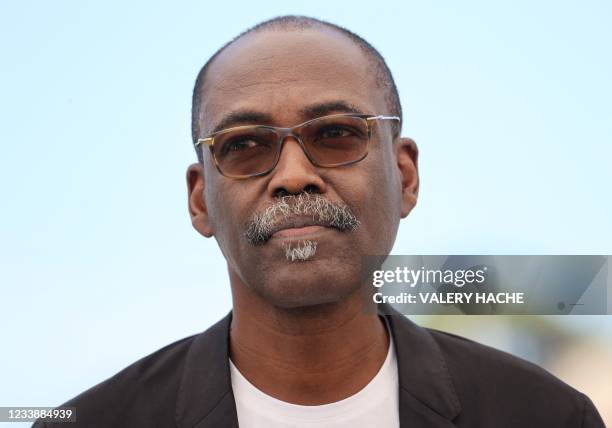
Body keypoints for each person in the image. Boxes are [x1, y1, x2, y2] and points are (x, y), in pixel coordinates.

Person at [35, 15, 604, 428]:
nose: (292, 175)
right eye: (245, 145)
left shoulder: (546, 416)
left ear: (405, 176)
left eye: (335, 134)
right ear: (200, 199)